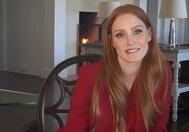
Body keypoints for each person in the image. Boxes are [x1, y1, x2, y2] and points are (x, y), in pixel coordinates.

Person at [59, 4, 172, 132]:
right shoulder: (89, 75)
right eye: (120, 35)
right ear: (112, 41)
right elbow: (75, 129)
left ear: (149, 34)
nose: (130, 41)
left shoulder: (163, 71)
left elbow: (159, 127)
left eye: (137, 31)